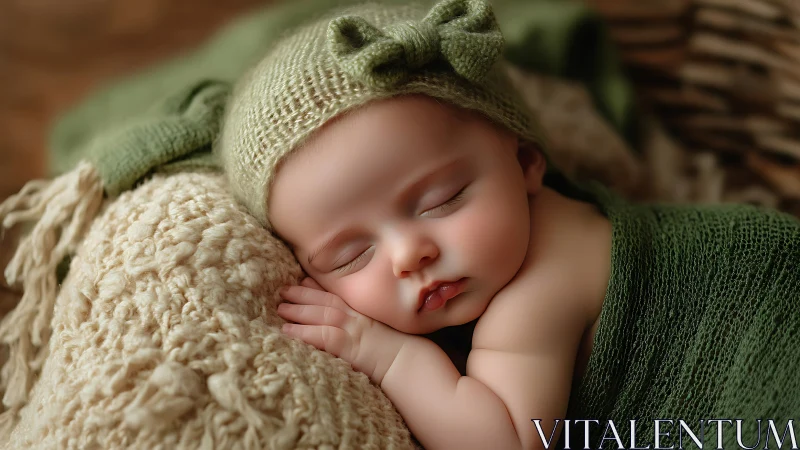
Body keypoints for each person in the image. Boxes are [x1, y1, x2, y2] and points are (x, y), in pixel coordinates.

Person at [216, 0, 800, 448]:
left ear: (525, 163)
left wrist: (388, 356)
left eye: (442, 200)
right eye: (348, 256)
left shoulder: (539, 285)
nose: (408, 254)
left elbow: (507, 438)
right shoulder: (506, 249)